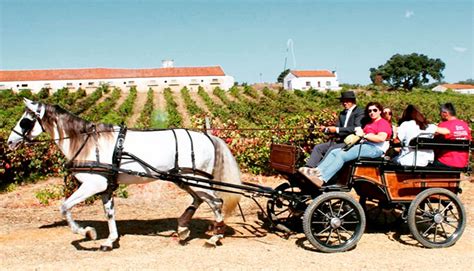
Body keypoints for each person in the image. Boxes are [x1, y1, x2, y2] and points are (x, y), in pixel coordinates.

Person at [301, 102, 392, 187]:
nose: (372, 112)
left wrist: (364, 135)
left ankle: (323, 179)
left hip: (375, 149)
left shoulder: (383, 123)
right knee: (335, 151)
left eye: (375, 110)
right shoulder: (369, 123)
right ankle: (317, 171)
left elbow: (381, 138)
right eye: (369, 111)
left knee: (342, 155)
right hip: (365, 145)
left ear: (380, 111)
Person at [298, 90, 365, 176]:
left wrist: (336, 129)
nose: (344, 103)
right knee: (318, 147)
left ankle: (319, 171)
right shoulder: (342, 113)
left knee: (332, 149)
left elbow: (356, 128)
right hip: (340, 140)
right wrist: (326, 129)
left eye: (347, 101)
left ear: (353, 101)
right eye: (343, 101)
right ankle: (308, 169)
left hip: (351, 142)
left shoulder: (360, 112)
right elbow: (337, 128)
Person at [432, 103, 471, 168]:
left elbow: (435, 144)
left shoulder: (443, 125)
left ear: (445, 113)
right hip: (462, 163)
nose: (440, 115)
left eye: (440, 113)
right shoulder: (465, 125)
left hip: (445, 162)